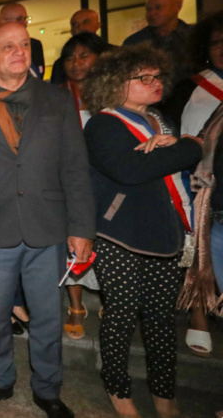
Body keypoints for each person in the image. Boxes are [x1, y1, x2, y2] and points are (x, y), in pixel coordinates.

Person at [0, 22, 96, 418]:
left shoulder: (58, 99)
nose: (19, 52)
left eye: (25, 44)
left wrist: (81, 227)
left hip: (47, 225)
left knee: (47, 316)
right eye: (8, 46)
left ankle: (47, 389)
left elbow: (75, 167)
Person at [83, 45, 202, 418]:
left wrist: (178, 146)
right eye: (144, 78)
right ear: (116, 83)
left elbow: (177, 161)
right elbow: (130, 171)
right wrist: (188, 147)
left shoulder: (161, 120)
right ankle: (118, 390)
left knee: (161, 320)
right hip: (119, 235)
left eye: (157, 76)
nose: (155, 83)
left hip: (164, 234)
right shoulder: (103, 124)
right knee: (120, 315)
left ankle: (164, 394)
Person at [57, 32, 112, 340]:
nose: (76, 63)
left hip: (105, 182)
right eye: (70, 57)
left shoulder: (114, 97)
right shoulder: (54, 97)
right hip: (67, 183)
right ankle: (75, 305)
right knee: (72, 242)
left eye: (83, 56)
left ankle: (108, 299)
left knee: (105, 244)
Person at [177, 10, 223, 358]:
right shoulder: (190, 87)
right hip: (202, 189)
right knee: (198, 252)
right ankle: (198, 314)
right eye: (217, 42)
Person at [124, 0, 193, 122]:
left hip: (192, 105)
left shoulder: (193, 37)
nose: (152, 13)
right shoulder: (134, 42)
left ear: (178, 7)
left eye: (158, 8)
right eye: (148, 10)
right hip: (151, 111)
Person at [50, 9, 103, 85]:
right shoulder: (61, 64)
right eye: (75, 24)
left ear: (98, 25)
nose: (80, 27)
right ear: (71, 30)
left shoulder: (113, 54)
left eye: (86, 22)